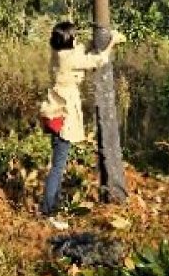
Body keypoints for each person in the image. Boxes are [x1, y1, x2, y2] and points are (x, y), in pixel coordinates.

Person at [38, 20, 124, 222]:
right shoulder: (67, 60)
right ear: (69, 39)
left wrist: (85, 38)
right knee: (58, 167)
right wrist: (113, 42)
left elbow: (78, 51)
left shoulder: (58, 52)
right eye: (74, 35)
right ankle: (48, 211)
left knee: (57, 163)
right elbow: (98, 60)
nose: (77, 38)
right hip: (63, 117)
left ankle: (52, 207)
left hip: (54, 113)